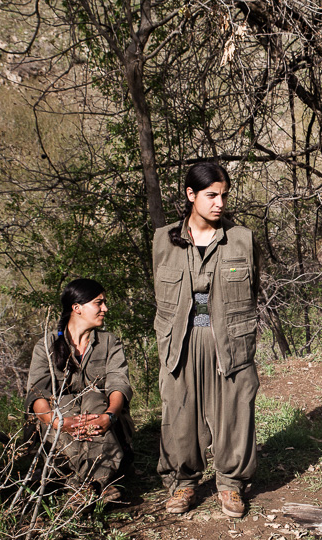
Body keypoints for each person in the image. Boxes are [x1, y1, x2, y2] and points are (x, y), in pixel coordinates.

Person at [153, 162, 259, 518]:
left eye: (224, 195)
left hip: (227, 339)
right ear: (191, 195)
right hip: (180, 340)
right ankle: (183, 483)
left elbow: (253, 289)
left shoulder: (241, 238)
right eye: (211, 195)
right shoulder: (163, 239)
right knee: (180, 413)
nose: (219, 203)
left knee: (234, 411)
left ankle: (230, 484)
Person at [26, 278, 133, 504]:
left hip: (103, 420)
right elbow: (37, 394)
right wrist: (58, 422)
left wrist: (109, 415)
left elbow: (118, 384)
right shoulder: (45, 345)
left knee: (94, 399)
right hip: (61, 427)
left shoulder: (109, 342)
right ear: (77, 308)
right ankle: (95, 485)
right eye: (99, 303)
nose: (105, 308)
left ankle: (85, 486)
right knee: (64, 403)